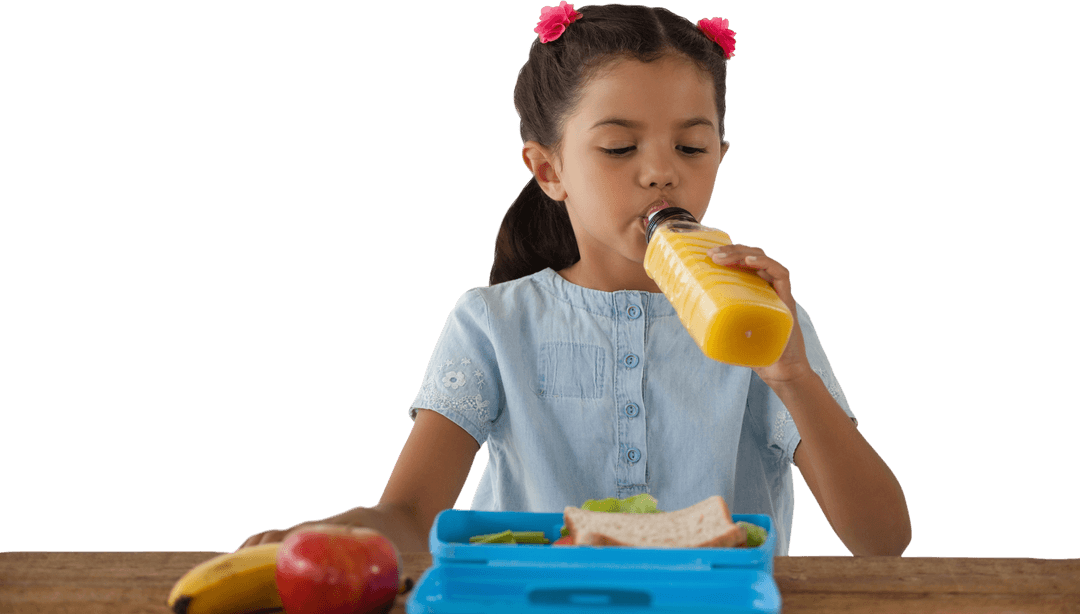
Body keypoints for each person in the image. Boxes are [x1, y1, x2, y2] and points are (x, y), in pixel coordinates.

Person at [239, 2, 911, 557]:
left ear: (721, 155)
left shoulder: (765, 322)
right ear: (548, 169)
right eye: (619, 147)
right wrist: (336, 534)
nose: (659, 172)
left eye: (693, 146)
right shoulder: (493, 322)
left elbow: (882, 542)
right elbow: (411, 516)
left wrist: (793, 376)